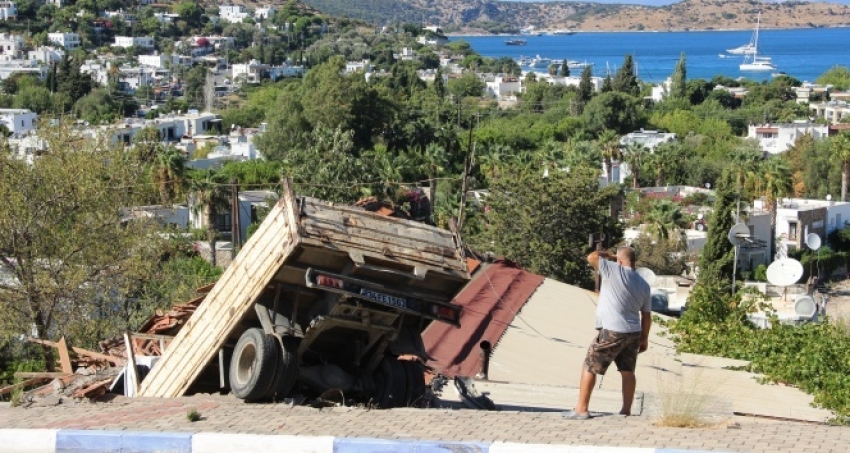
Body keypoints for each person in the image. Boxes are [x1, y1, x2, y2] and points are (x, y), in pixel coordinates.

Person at [562, 247, 652, 420]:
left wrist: (608, 255)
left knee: (590, 365)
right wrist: (644, 338)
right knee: (627, 371)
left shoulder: (612, 269)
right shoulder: (643, 284)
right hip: (633, 332)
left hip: (612, 330)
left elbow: (591, 257)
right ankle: (626, 410)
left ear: (619, 259)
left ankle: (581, 409)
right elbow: (646, 316)